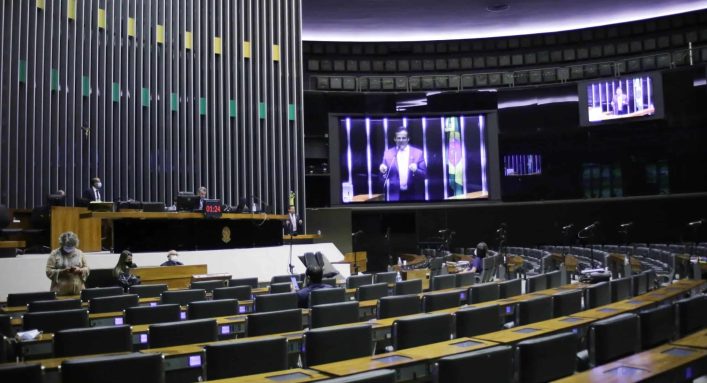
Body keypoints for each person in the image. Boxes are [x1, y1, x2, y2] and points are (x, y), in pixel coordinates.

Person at [379, 127, 427, 201]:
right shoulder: (388, 153)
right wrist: (383, 172)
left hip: (414, 195)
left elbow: (424, 175)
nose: (401, 140)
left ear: (408, 139)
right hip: (395, 196)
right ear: (395, 139)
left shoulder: (418, 153)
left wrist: (416, 170)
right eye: (399, 138)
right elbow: (382, 178)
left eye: (404, 138)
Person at [45, 231, 90, 296]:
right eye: (67, 246)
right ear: (62, 244)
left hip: (78, 290)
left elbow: (87, 268)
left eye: (72, 246)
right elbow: (48, 271)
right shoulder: (54, 254)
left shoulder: (80, 253)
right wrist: (62, 271)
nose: (69, 248)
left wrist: (80, 270)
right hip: (59, 291)